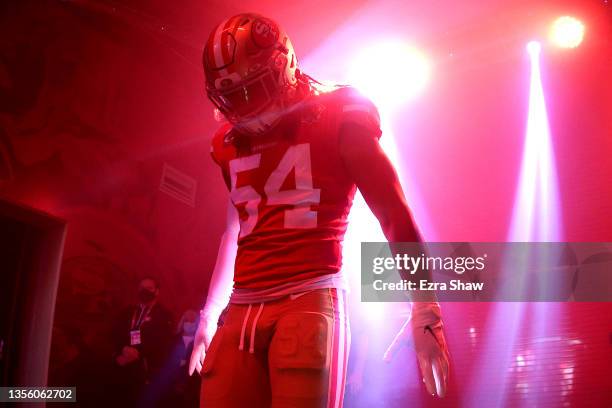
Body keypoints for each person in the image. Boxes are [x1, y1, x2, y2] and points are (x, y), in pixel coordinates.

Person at [189, 13, 450, 407]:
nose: (245, 107)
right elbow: (236, 231)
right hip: (242, 304)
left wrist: (425, 304)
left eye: (254, 89)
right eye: (233, 96)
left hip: (308, 294)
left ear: (283, 66)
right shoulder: (226, 141)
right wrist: (211, 312)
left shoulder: (338, 111)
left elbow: (393, 211)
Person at [111, 276, 174, 407]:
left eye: (149, 288)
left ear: (157, 291)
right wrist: (122, 349)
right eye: (142, 288)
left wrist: (138, 353)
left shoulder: (164, 316)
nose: (145, 291)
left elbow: (163, 342)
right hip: (123, 366)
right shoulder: (128, 312)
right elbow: (115, 333)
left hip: (147, 370)